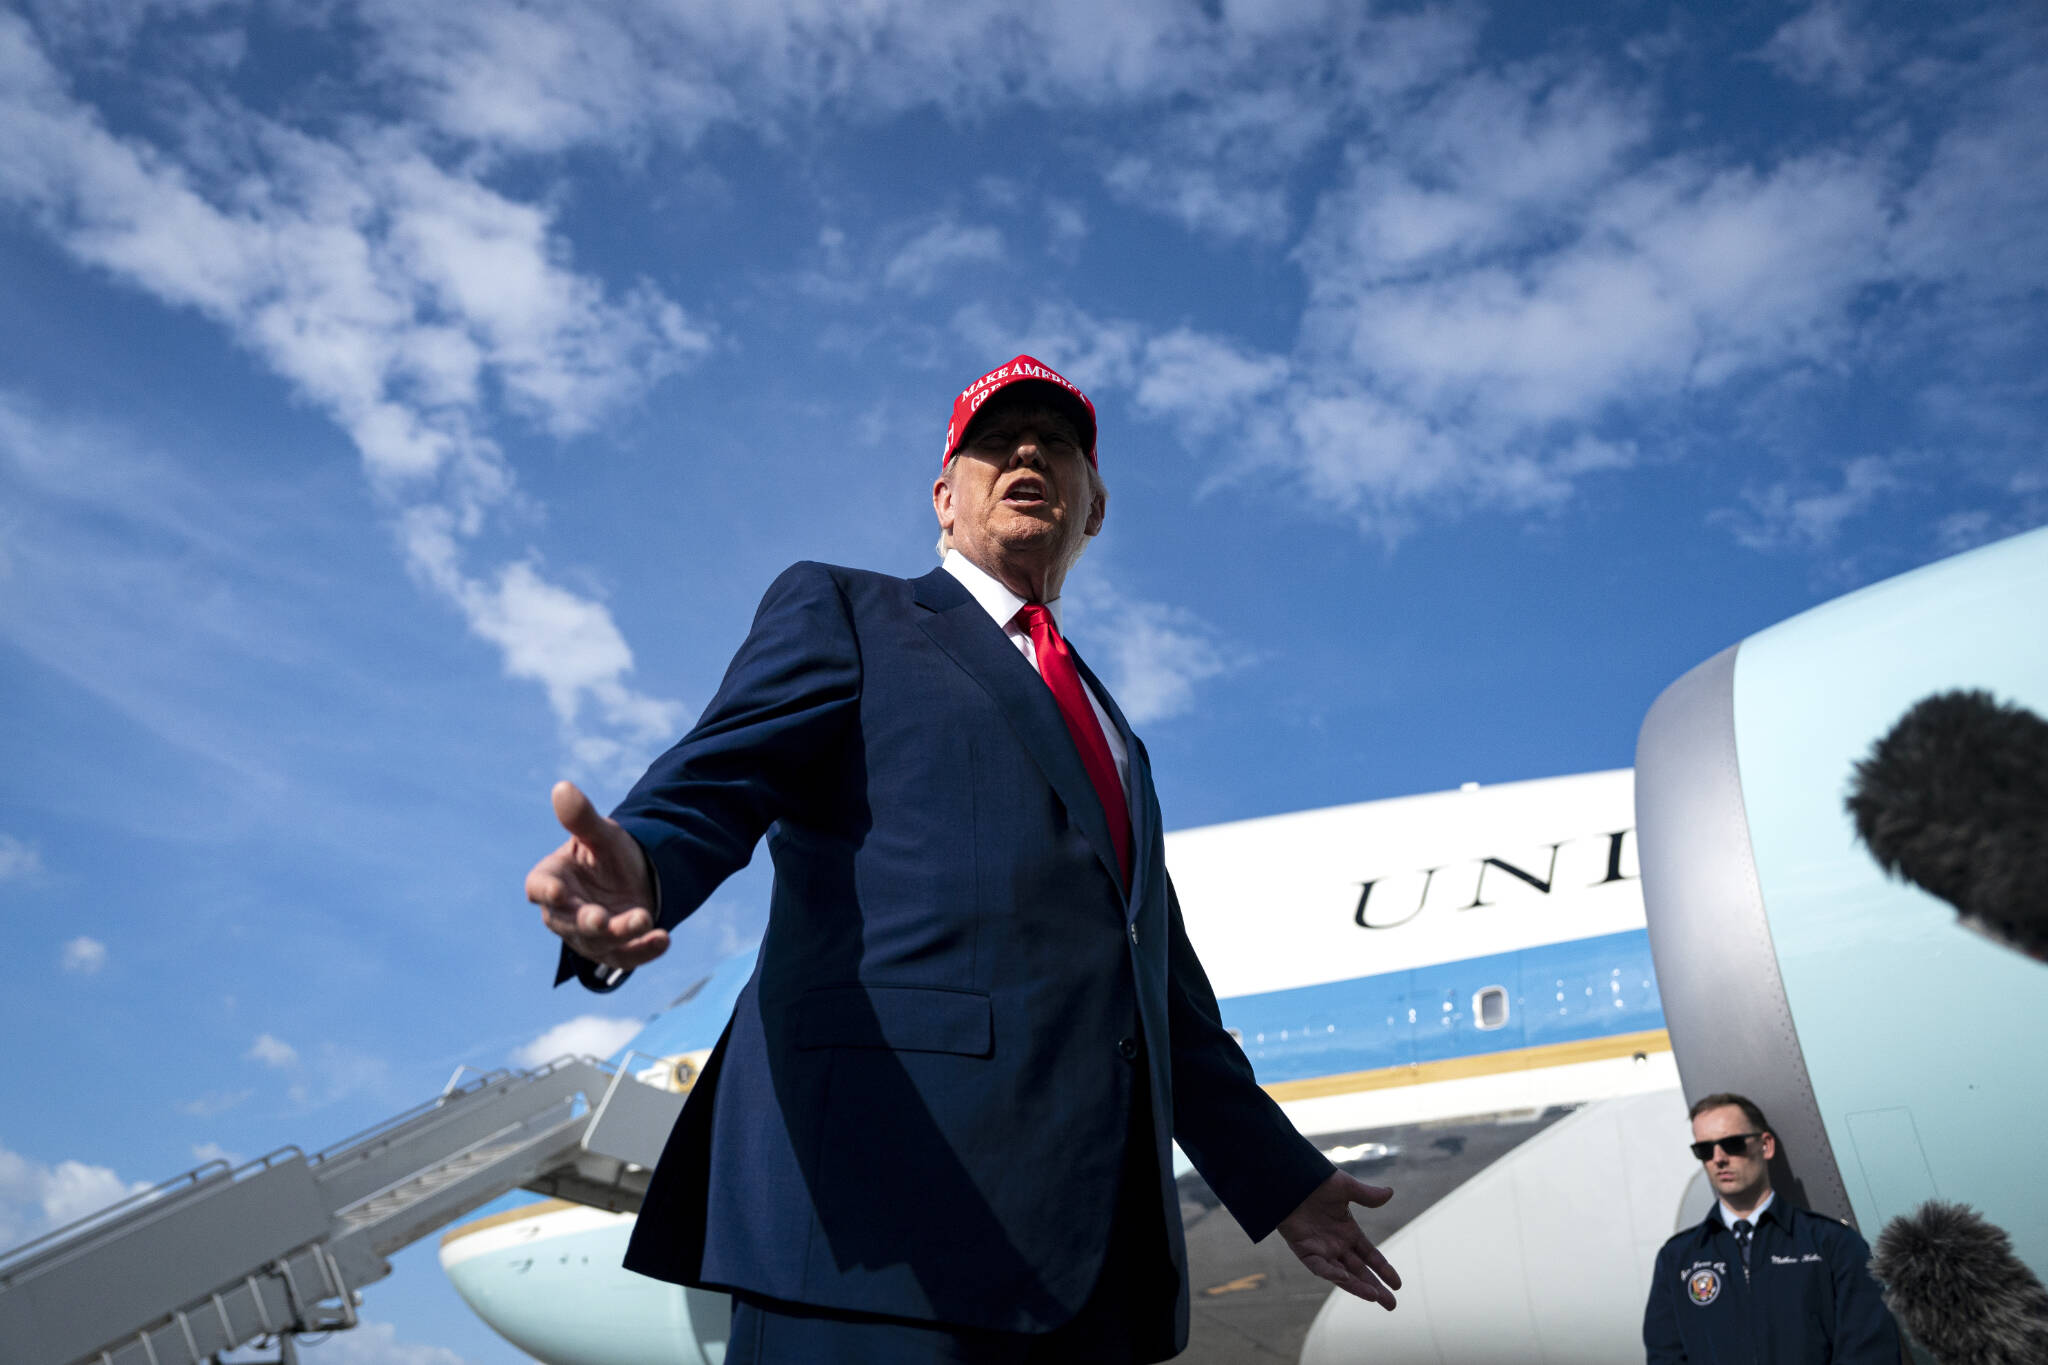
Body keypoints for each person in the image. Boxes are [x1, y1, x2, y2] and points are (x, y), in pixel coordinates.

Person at [524, 355, 1400, 1363]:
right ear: (945, 499)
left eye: (1057, 443)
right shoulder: (850, 612)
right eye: (994, 442)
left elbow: (1153, 991)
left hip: (1084, 1273)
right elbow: (721, 776)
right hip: (874, 1226)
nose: (1026, 452)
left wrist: (1279, 1181)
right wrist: (640, 862)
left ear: (1093, 508)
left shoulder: (1115, 737)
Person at [1645, 1092, 1901, 1364]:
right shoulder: (1677, 1258)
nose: (1718, 1158)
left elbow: (1871, 1352)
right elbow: (1665, 1357)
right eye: (1704, 1150)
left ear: (1765, 1145)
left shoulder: (1832, 1244)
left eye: (1732, 1144)